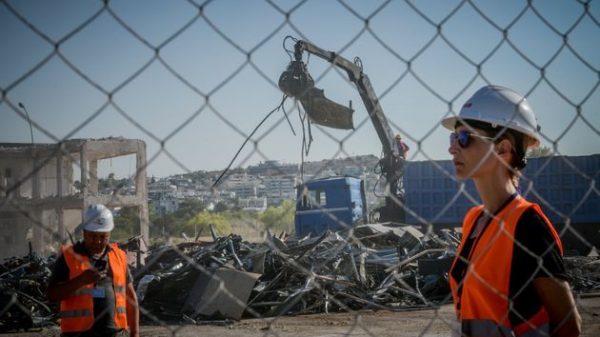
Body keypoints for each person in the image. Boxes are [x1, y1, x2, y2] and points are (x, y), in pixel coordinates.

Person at [442, 85, 581, 337]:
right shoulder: (473, 220)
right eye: (453, 138)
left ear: (503, 150)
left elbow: (569, 326)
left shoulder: (528, 224)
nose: (453, 148)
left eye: (464, 138)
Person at [47, 204, 139, 337]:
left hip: (116, 333)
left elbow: (130, 298)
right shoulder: (68, 256)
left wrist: (135, 333)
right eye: (93, 236)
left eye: (103, 237)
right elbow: (51, 295)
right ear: (84, 232)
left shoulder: (119, 256)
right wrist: (81, 280)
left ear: (109, 234)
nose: (98, 241)